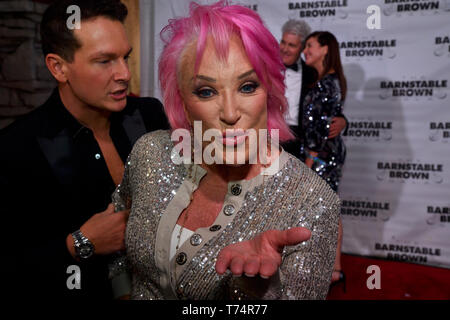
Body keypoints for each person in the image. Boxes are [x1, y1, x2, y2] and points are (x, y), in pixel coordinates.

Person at [112, 1, 339, 300]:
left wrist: (258, 289)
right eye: (206, 91)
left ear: (270, 89)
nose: (230, 113)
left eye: (247, 86)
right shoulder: (149, 152)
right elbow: (118, 242)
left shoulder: (314, 203)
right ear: (181, 100)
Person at [0, 0, 168, 299]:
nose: (124, 74)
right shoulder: (16, 147)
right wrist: (79, 244)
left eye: (125, 57)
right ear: (58, 67)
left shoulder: (149, 115)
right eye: (104, 61)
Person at [301, 31, 347, 285]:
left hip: (321, 157)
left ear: (325, 49)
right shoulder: (323, 81)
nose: (305, 50)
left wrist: (311, 159)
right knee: (326, 210)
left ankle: (332, 270)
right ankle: (334, 268)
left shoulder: (326, 83)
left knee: (325, 211)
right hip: (321, 155)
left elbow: (322, 126)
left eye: (309, 46)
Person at [279, 20, 347, 160]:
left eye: (291, 45)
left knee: (298, 181)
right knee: (265, 180)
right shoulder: (265, 68)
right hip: (270, 135)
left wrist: (343, 121)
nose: (285, 49)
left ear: (301, 48)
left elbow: (325, 107)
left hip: (299, 139)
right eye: (283, 42)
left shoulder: (313, 74)